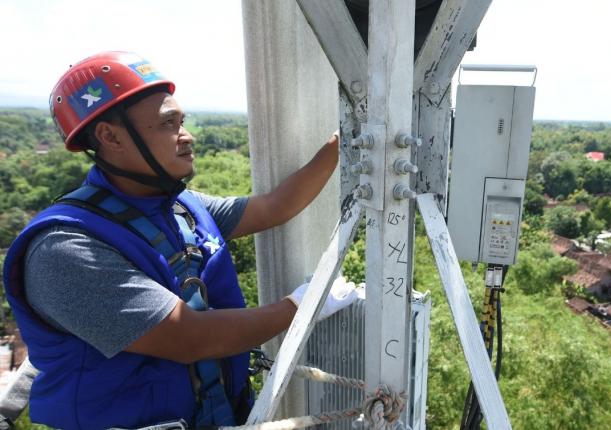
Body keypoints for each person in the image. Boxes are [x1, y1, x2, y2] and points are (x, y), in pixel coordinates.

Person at [2, 51, 357, 429]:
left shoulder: (181, 208)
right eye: (168, 123)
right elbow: (187, 337)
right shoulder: (64, 249)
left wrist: (344, 140)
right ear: (110, 136)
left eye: (182, 121)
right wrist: (300, 306)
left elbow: (275, 207)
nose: (187, 136)